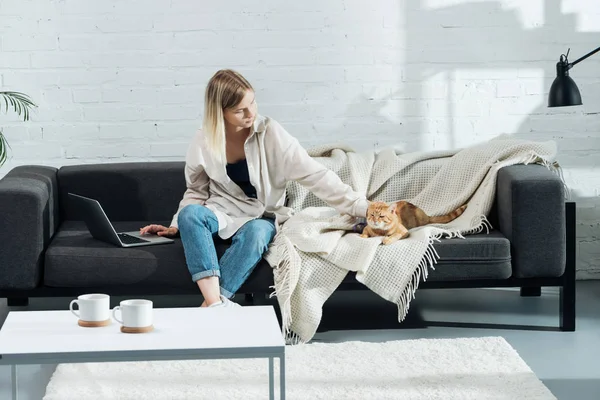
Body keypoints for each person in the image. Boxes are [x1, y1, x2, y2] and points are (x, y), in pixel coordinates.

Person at [140, 69, 369, 308]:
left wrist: (361, 206)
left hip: (261, 216)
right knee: (190, 214)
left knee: (258, 234)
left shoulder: (271, 133)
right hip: (222, 213)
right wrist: (176, 225)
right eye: (240, 110)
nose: (251, 113)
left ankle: (211, 307)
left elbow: (315, 175)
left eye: (253, 102)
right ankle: (215, 304)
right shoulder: (203, 140)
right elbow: (196, 192)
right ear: (221, 112)